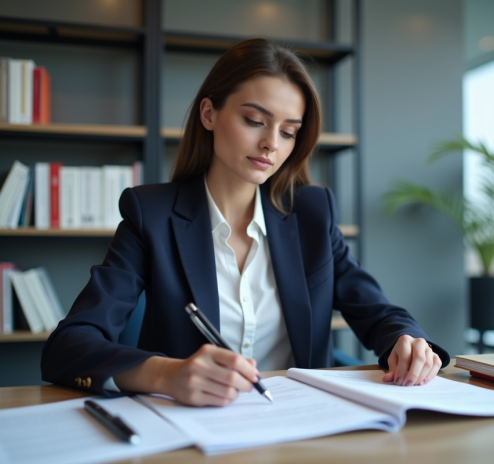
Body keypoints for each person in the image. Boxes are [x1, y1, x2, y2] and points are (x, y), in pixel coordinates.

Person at [41, 38, 449, 407]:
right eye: (255, 121)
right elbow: (69, 346)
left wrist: (405, 342)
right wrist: (166, 374)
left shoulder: (311, 212)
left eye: (289, 132)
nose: (272, 143)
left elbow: (377, 312)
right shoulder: (152, 215)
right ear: (209, 114)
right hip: (193, 428)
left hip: (305, 425)